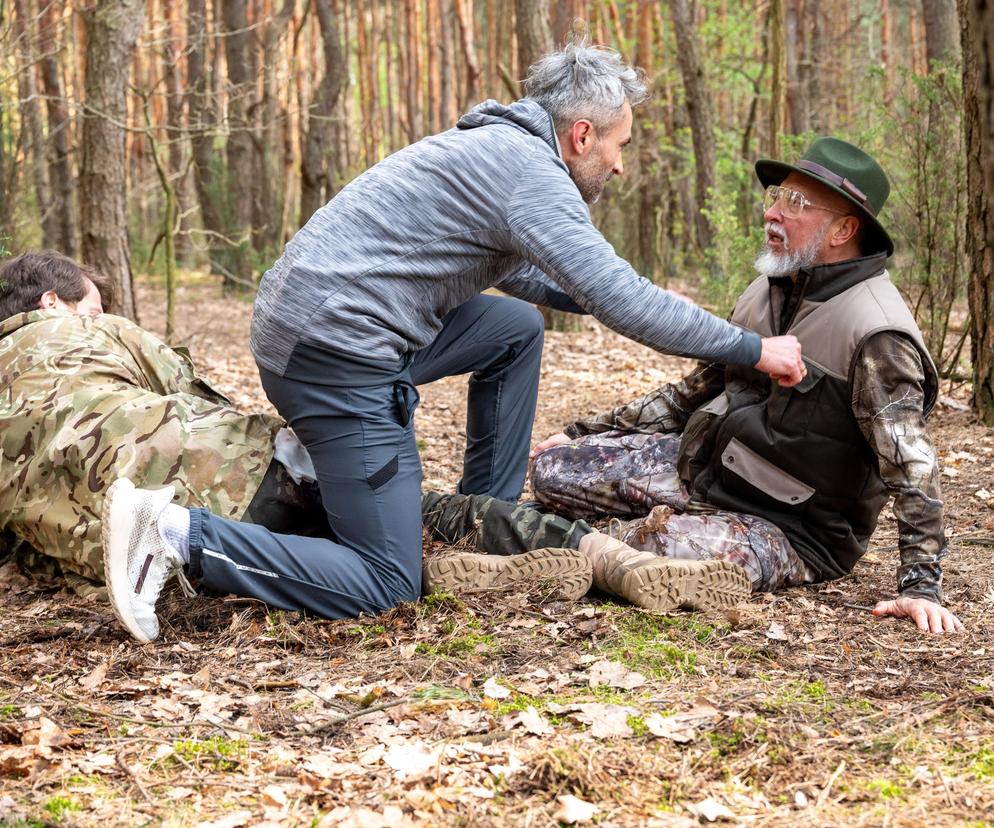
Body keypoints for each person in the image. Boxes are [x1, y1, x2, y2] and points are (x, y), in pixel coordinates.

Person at [104, 40, 804, 636]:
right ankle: (176, 535)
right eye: (619, 144)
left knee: (512, 329)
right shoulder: (529, 174)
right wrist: (752, 348)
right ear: (582, 135)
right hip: (333, 356)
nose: (620, 164)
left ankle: (480, 519)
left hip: (327, 326)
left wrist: (596, 294)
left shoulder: (498, 150)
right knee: (384, 582)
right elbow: (622, 299)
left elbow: (535, 279)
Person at [0, 250, 597, 641]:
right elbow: (194, 399)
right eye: (94, 304)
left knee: (367, 536)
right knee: (402, 549)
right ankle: (600, 553)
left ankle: (480, 559)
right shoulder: (89, 334)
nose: (101, 314)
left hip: (113, 553)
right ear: (52, 303)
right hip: (216, 486)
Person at [522, 136, 962, 635]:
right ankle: (571, 539)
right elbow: (692, 394)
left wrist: (921, 587)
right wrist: (583, 433)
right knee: (553, 470)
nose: (772, 213)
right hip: (705, 469)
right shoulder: (766, 291)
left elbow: (913, 465)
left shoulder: (877, 333)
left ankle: (533, 541)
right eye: (776, 195)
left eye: (795, 203)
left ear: (843, 229)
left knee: (642, 544)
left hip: (790, 528)